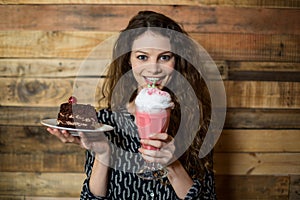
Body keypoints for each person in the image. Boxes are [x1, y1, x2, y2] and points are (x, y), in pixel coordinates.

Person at [47, 10, 217, 199]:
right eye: (142, 57)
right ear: (128, 60)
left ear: (177, 61)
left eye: (165, 57)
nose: (153, 68)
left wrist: (173, 165)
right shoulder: (104, 122)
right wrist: (103, 155)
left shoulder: (196, 121)